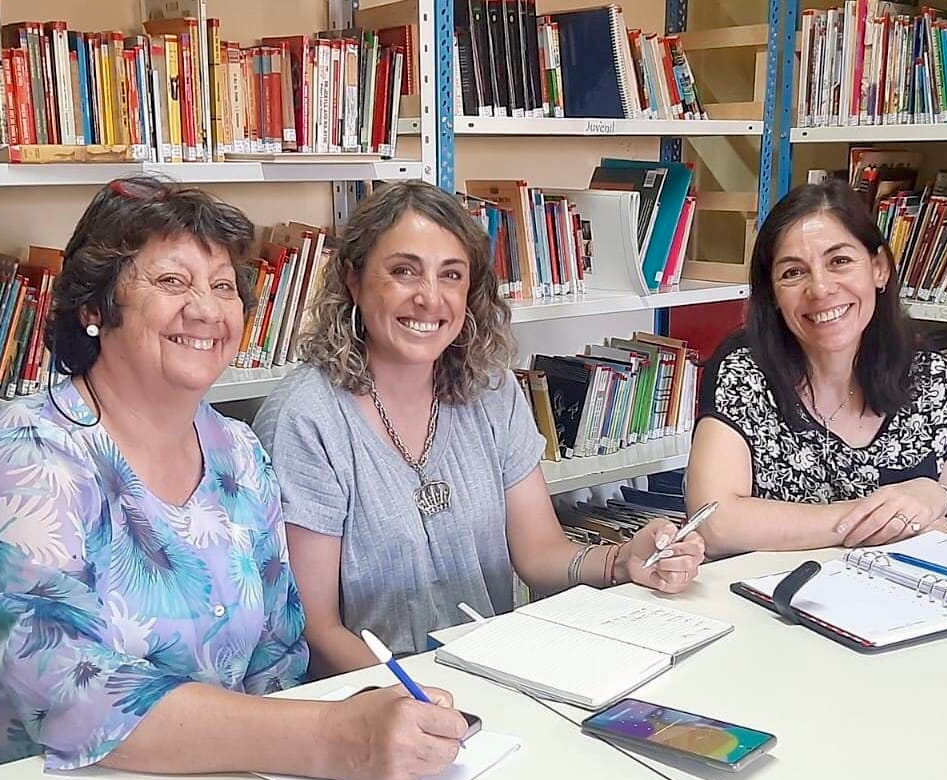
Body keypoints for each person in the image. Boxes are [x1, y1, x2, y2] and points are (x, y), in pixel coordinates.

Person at [0, 177, 466, 780]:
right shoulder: (20, 463)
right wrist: (333, 738)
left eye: (223, 287)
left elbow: (278, 655)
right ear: (94, 308)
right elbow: (77, 699)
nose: (206, 310)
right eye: (172, 282)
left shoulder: (240, 455)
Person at [254, 181, 706, 677]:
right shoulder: (306, 418)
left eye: (451, 275)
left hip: (487, 676)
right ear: (353, 279)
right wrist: (420, 699)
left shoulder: (491, 390)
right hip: (372, 697)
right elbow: (317, 630)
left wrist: (621, 560)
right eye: (404, 271)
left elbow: (540, 554)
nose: (430, 298)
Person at [685, 179, 947, 555]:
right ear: (773, 294)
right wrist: (878, 520)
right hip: (777, 587)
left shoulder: (926, 374)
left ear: (879, 269)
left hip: (895, 585)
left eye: (840, 261)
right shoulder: (744, 371)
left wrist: (936, 496)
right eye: (793, 272)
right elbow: (715, 521)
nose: (820, 288)